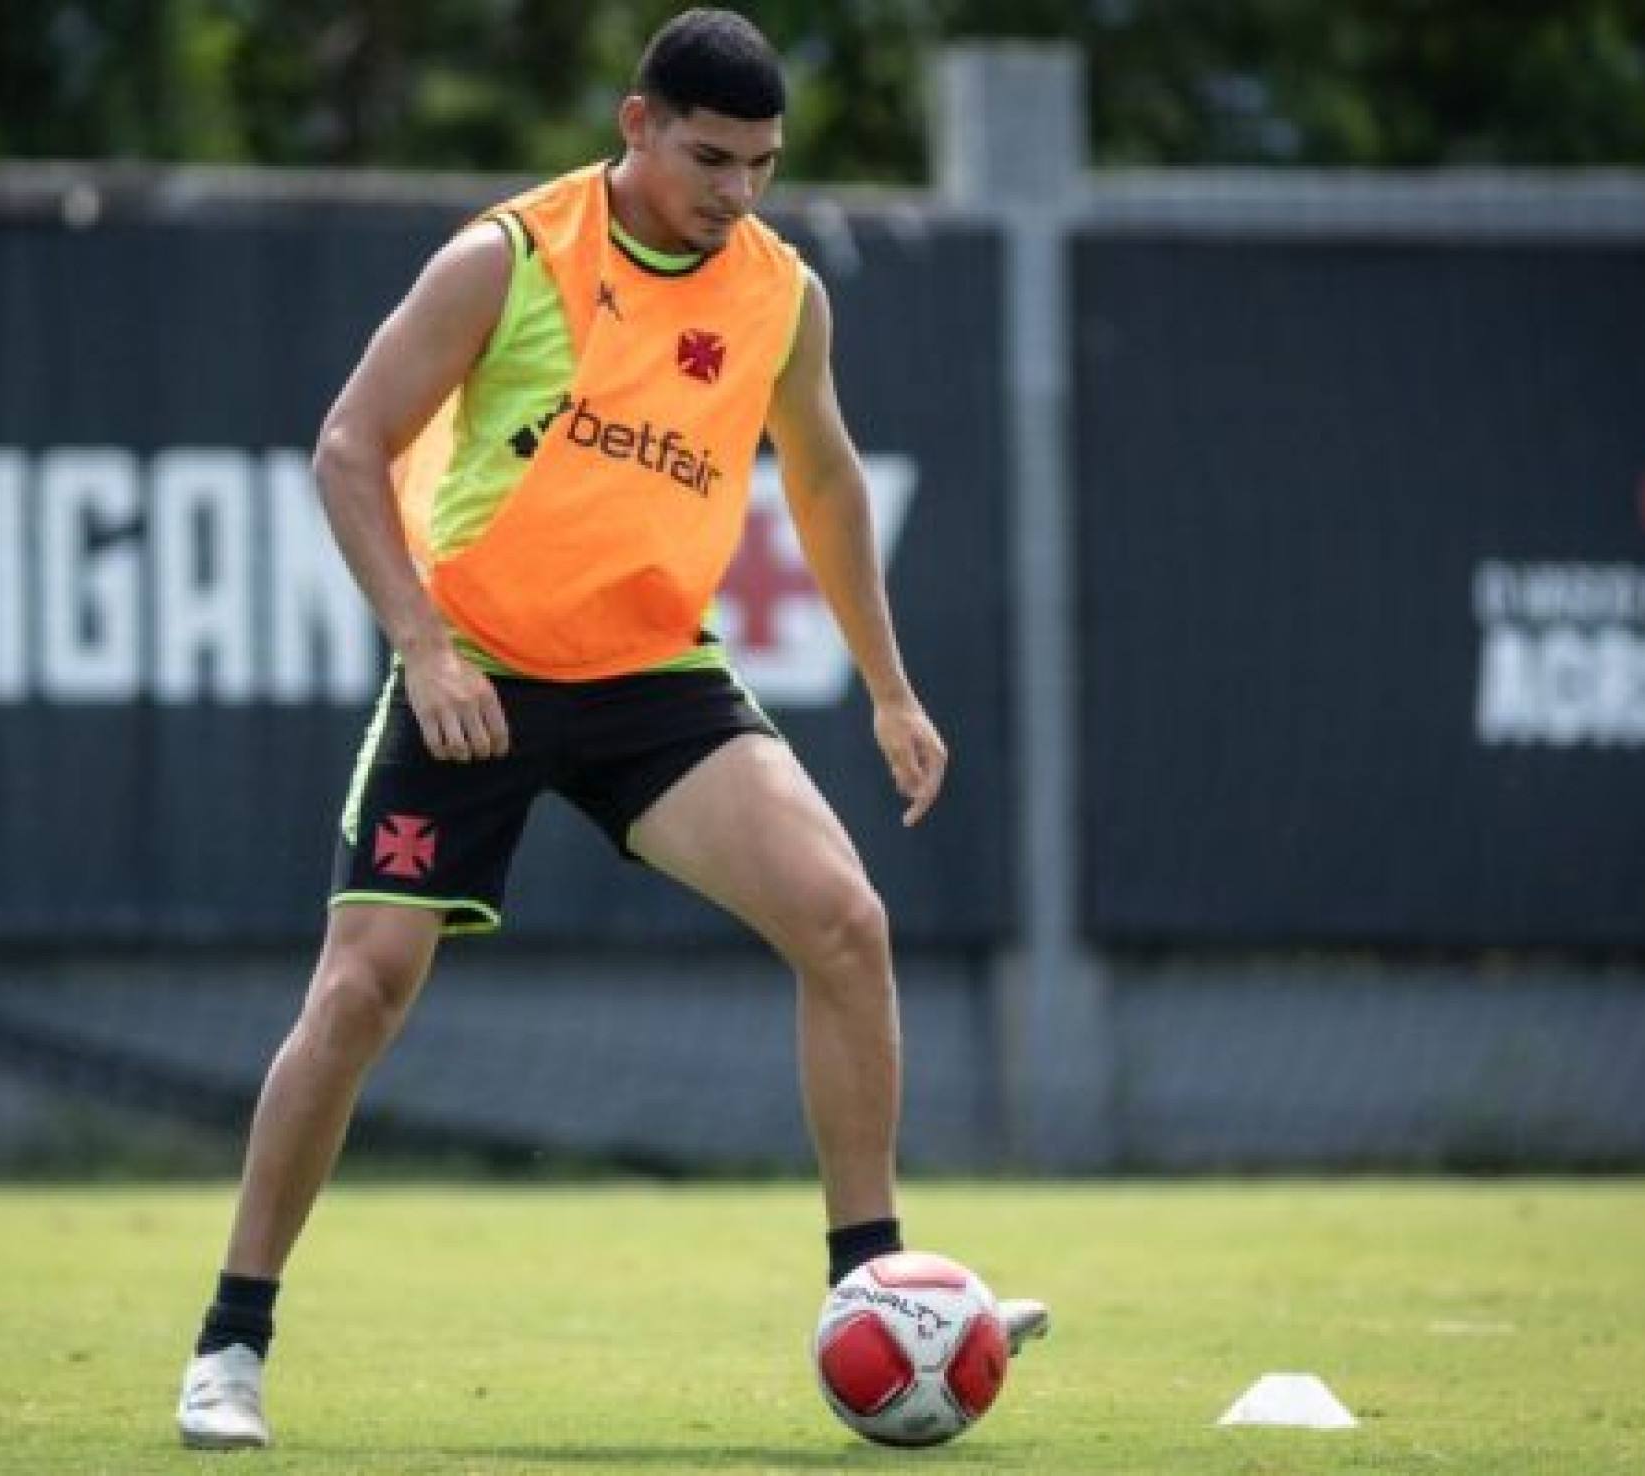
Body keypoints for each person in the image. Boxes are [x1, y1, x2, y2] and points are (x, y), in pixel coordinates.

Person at [176, 9, 1047, 1450]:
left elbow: (824, 485)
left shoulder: (781, 294)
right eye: (712, 158)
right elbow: (348, 447)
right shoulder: (505, 258)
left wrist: (890, 688)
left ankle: (881, 1299)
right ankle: (230, 1342)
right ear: (637, 123)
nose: (737, 193)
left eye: (765, 164)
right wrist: (426, 645)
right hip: (482, 673)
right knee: (360, 993)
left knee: (845, 922)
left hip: (653, 681)